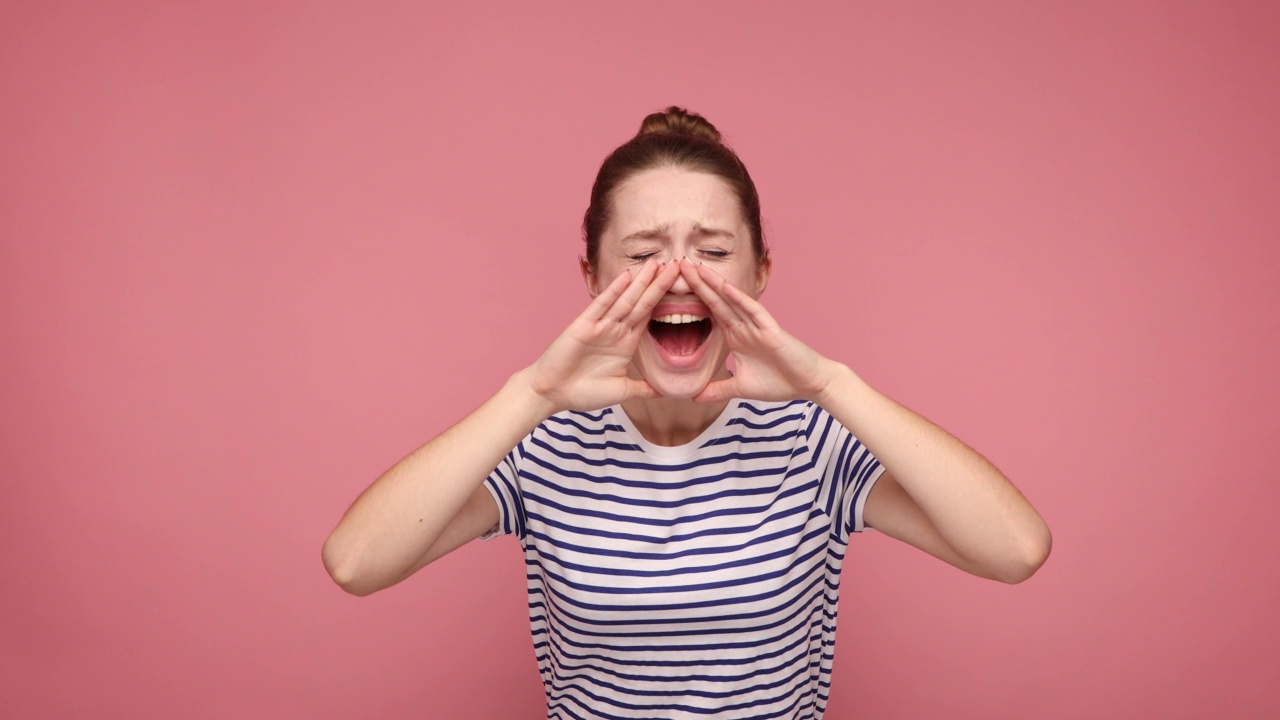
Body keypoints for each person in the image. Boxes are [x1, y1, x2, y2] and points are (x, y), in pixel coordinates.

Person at [322, 106, 1051, 719]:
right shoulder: (539, 445)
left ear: (761, 271)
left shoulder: (812, 441)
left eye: (713, 250)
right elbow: (356, 564)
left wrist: (830, 385)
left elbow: (1015, 550)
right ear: (591, 276)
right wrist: (533, 394)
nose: (678, 278)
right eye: (643, 253)